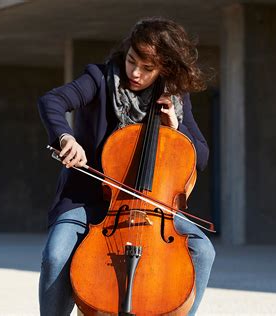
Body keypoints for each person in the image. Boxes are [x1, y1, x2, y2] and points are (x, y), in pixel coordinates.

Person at [37, 16, 215, 316]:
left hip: (151, 211)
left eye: (147, 69)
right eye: (132, 60)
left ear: (164, 68)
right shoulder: (100, 78)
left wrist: (176, 128)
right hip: (87, 199)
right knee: (56, 255)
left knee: (203, 250)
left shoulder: (174, 98)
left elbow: (201, 156)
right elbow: (52, 100)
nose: (135, 72)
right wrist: (65, 137)